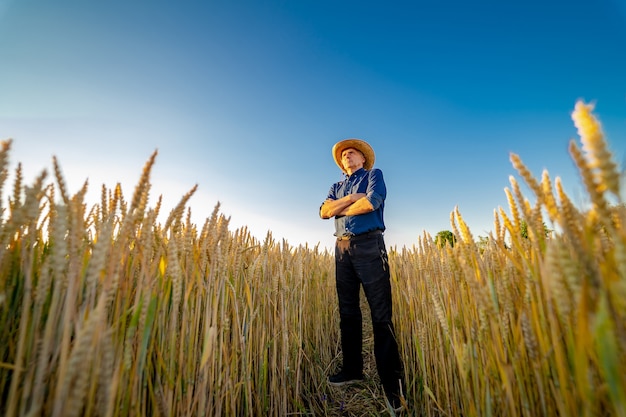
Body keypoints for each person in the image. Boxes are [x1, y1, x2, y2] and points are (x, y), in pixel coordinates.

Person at [319, 138, 406, 412]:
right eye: (343, 154)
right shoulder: (337, 187)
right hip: (341, 248)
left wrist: (344, 207)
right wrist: (349, 198)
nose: (347, 155)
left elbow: (371, 204)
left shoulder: (373, 175)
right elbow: (323, 212)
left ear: (363, 159)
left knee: (381, 316)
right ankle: (352, 370)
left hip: (369, 245)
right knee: (348, 312)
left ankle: (393, 386)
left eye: (352, 152)